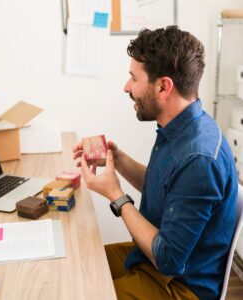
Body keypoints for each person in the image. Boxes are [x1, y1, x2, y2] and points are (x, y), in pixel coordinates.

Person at [73, 26, 237, 300]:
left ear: (163, 87)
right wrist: (120, 159)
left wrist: (117, 196)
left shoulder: (199, 159)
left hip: (179, 284)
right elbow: (163, 186)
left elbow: (169, 258)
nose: (127, 87)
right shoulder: (179, 128)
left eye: (133, 78)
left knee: (80, 290)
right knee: (78, 263)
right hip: (151, 259)